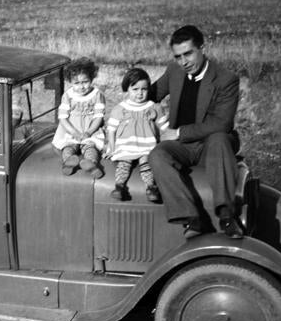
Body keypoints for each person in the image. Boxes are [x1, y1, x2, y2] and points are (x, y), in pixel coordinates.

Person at [149, 25, 242, 239]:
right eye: (178, 56)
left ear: (202, 48)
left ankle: (227, 215)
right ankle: (191, 218)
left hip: (211, 146)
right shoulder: (174, 71)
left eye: (188, 53)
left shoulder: (225, 79)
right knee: (158, 154)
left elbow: (222, 124)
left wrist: (178, 132)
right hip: (181, 147)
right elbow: (150, 94)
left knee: (219, 138)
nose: (184, 62)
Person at [106, 68, 168, 202]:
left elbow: (164, 128)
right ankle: (119, 186)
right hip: (126, 146)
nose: (139, 93)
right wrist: (111, 147)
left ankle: (151, 187)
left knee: (147, 163)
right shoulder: (120, 109)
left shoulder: (154, 107)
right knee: (124, 163)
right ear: (127, 89)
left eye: (144, 89)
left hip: (147, 145)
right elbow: (111, 130)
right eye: (135, 89)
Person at [52, 57, 105, 177]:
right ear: (70, 82)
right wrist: (74, 132)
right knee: (68, 148)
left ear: (91, 79)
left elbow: (98, 117)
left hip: (89, 130)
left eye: (85, 82)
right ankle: (69, 163)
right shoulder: (68, 96)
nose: (81, 87)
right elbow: (63, 118)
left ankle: (91, 164)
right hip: (71, 130)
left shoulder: (97, 95)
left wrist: (89, 132)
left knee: (91, 148)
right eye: (77, 83)